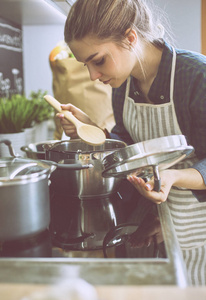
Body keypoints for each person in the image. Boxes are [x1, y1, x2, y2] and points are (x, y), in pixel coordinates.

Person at [57, 0, 206, 285]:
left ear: (130, 38)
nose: (92, 75)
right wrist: (92, 129)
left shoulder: (196, 76)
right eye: (86, 64)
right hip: (161, 220)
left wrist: (173, 177)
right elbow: (132, 148)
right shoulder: (123, 84)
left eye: (98, 60)